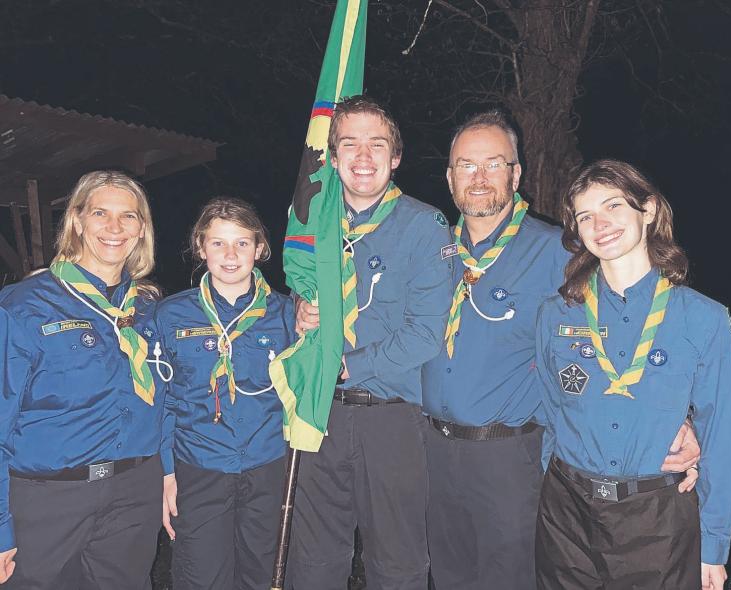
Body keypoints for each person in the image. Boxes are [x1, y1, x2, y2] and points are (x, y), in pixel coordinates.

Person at [420, 112, 701, 590]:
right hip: (431, 453)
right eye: (466, 165)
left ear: (516, 173)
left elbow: (634, 323)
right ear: (449, 178)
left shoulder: (558, 252)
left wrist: (681, 414)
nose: (479, 177)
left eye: (494, 164)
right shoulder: (430, 251)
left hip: (511, 457)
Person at [534, 159, 731, 589]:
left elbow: (719, 434)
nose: (599, 223)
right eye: (585, 215)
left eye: (613, 206)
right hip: (566, 514)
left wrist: (713, 545)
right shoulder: (556, 314)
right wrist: (552, 489)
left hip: (657, 519)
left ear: (647, 211)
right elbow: (549, 410)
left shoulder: (704, 319)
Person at [291, 95, 453, 589]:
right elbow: (299, 293)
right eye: (350, 144)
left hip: (392, 419)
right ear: (333, 157)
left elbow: (426, 333)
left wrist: (344, 367)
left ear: (395, 156)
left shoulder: (425, 226)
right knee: (315, 558)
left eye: (377, 144)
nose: (363, 156)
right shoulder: (310, 223)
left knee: (397, 561)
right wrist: (298, 312)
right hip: (319, 413)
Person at [0, 170, 166, 588]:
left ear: (142, 228)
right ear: (77, 221)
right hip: (47, 499)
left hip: (133, 492)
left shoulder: (148, 310)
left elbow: (170, 398)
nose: (114, 228)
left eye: (128, 216)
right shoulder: (24, 306)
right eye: (100, 213)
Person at [156, 197, 295, 590]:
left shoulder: (288, 314)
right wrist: (167, 473)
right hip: (198, 467)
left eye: (242, 243)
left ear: (260, 249)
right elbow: (161, 399)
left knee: (265, 575)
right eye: (218, 243)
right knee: (201, 577)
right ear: (201, 247)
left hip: (269, 465)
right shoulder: (170, 316)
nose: (230, 255)